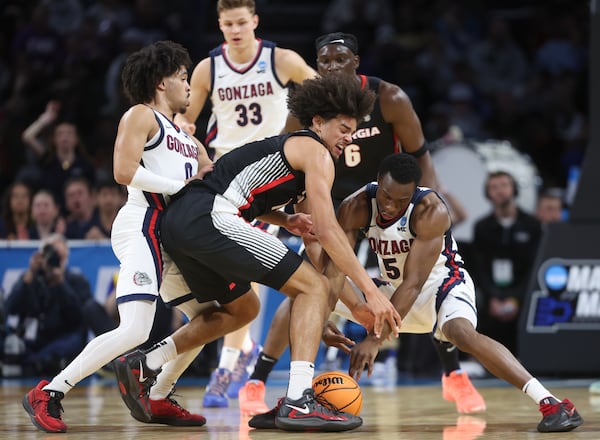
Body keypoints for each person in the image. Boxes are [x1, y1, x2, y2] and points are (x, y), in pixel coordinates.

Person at [116, 73, 400, 432]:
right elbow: (328, 232)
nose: (349, 137)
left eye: (354, 130)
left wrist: (347, 307)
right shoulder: (315, 151)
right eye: (343, 128)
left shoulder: (288, 154)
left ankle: (145, 363)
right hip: (209, 215)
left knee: (244, 309)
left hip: (183, 222)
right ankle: (298, 399)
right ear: (317, 122)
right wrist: (371, 294)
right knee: (311, 286)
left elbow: (314, 245)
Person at [240, 32, 481, 417]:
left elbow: (421, 158)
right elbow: (288, 167)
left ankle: (453, 375)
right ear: (316, 66)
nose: (332, 67)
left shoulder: (390, 98)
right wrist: (302, 218)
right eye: (324, 61)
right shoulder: (306, 104)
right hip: (330, 202)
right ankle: (257, 380)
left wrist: (427, 208)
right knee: (310, 283)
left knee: (421, 281)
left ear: (356, 62)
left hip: (387, 201)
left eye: (340, 59)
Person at [22, 40, 221, 433]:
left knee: (211, 318)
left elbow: (213, 183)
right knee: (135, 329)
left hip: (173, 235)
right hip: (142, 223)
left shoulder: (188, 137)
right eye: (183, 78)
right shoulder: (140, 116)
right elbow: (123, 171)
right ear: (162, 82)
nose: (189, 86)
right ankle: (49, 392)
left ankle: (160, 395)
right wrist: (181, 187)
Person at [323, 153, 581, 433]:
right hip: (390, 290)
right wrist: (322, 317)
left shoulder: (432, 210)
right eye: (386, 197)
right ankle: (292, 396)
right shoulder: (355, 206)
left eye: (401, 201)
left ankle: (551, 403)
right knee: (312, 290)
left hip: (441, 284)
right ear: (377, 183)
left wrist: (375, 339)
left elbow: (414, 283)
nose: (390, 206)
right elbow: (335, 269)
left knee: (461, 332)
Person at [174, 0, 318, 408]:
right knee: (230, 269)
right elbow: (186, 118)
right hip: (222, 175)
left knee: (245, 264)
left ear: (255, 21)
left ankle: (227, 366)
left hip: (266, 177)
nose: (235, 29)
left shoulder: (282, 60)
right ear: (219, 26)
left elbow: (320, 94)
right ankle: (244, 349)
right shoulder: (208, 69)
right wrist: (185, 129)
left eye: (242, 22)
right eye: (227, 24)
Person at [471, 171, 542, 355]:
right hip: (492, 293)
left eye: (504, 185)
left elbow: (533, 267)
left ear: (514, 189)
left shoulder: (532, 225)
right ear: (487, 193)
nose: (500, 191)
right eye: (494, 187)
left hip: (523, 290)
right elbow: (480, 268)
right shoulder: (482, 227)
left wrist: (515, 299)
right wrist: (493, 297)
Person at [3, 234, 90, 376]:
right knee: (10, 342)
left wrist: (60, 283)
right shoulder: (30, 279)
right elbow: (10, 308)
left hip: (62, 339)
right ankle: (35, 364)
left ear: (66, 259)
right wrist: (29, 276)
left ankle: (33, 365)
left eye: (59, 257)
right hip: (34, 340)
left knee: (73, 342)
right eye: (49, 255)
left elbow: (79, 319)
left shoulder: (77, 281)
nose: (53, 260)